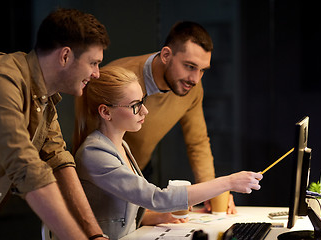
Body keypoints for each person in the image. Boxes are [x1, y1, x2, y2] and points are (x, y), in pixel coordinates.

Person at [73, 66, 263, 239]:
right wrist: (228, 182)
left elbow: (120, 210)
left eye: (142, 101)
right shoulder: (95, 153)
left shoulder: (121, 145)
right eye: (135, 105)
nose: (145, 111)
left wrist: (151, 217)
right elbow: (157, 198)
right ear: (106, 112)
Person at [73, 21, 235, 214]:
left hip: (138, 170)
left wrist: (209, 192)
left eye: (202, 70)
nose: (195, 78)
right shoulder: (117, 78)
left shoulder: (191, 88)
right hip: (104, 173)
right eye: (190, 66)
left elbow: (197, 142)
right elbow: (88, 139)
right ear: (166, 55)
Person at [0, 8, 110, 240]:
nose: (97, 73)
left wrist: (95, 234)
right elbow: (24, 165)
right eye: (93, 63)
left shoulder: (46, 99)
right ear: (65, 56)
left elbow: (58, 159)